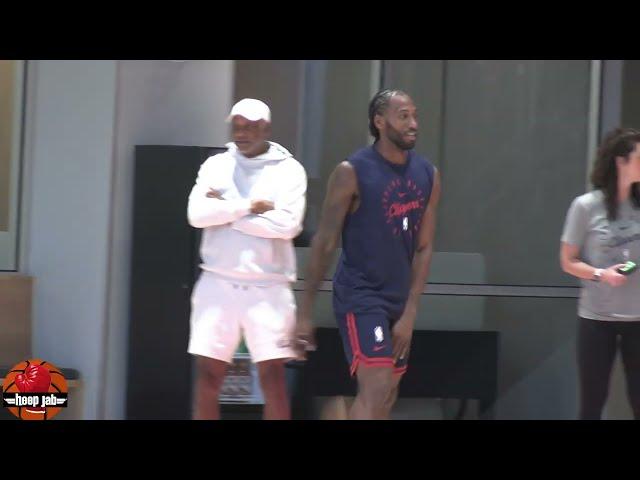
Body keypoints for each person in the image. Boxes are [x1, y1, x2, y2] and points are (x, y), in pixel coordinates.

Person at [295, 89, 441, 419]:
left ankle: (336, 413)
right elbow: (325, 241)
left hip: (398, 299)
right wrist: (305, 311)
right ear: (379, 121)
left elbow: (425, 246)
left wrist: (410, 312)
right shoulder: (352, 171)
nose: (413, 123)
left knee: (387, 394)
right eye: (403, 116)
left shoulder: (428, 175)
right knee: (376, 385)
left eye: (415, 115)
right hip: (360, 295)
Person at [187, 98, 307, 420]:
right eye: (238, 125)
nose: (243, 132)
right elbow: (197, 214)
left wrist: (225, 211)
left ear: (266, 128)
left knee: (273, 378)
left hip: (269, 286)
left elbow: (288, 225)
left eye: (251, 126)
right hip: (217, 280)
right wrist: (250, 206)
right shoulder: (216, 164)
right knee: (208, 375)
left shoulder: (288, 169)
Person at [560, 127, 640, 419]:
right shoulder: (585, 206)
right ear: (621, 162)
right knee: (593, 402)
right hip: (596, 319)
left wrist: (629, 268)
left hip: (637, 318)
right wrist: (600, 274)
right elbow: (567, 261)